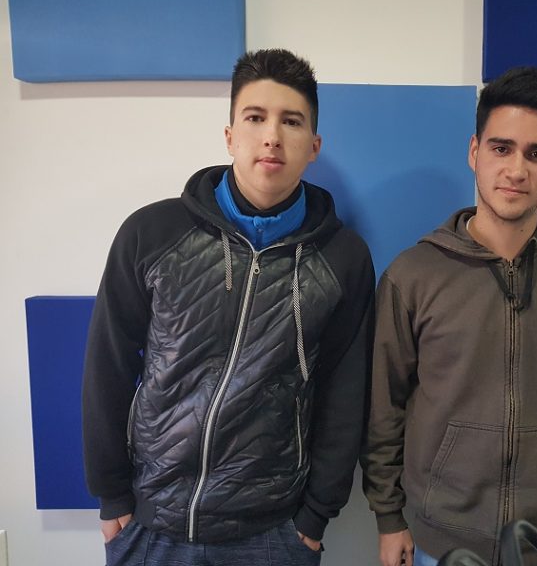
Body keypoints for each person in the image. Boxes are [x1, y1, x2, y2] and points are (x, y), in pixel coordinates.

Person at [82, 49, 374, 566]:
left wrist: (313, 520)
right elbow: (108, 367)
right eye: (255, 118)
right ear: (230, 136)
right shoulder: (151, 234)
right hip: (151, 524)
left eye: (291, 121)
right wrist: (112, 496)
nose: (272, 136)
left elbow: (344, 395)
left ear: (314, 146)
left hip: (273, 532)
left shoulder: (342, 258)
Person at [361, 67, 537, 566]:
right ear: (475, 151)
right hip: (440, 540)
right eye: (501, 148)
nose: (516, 170)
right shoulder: (413, 275)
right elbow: (385, 410)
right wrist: (389, 517)